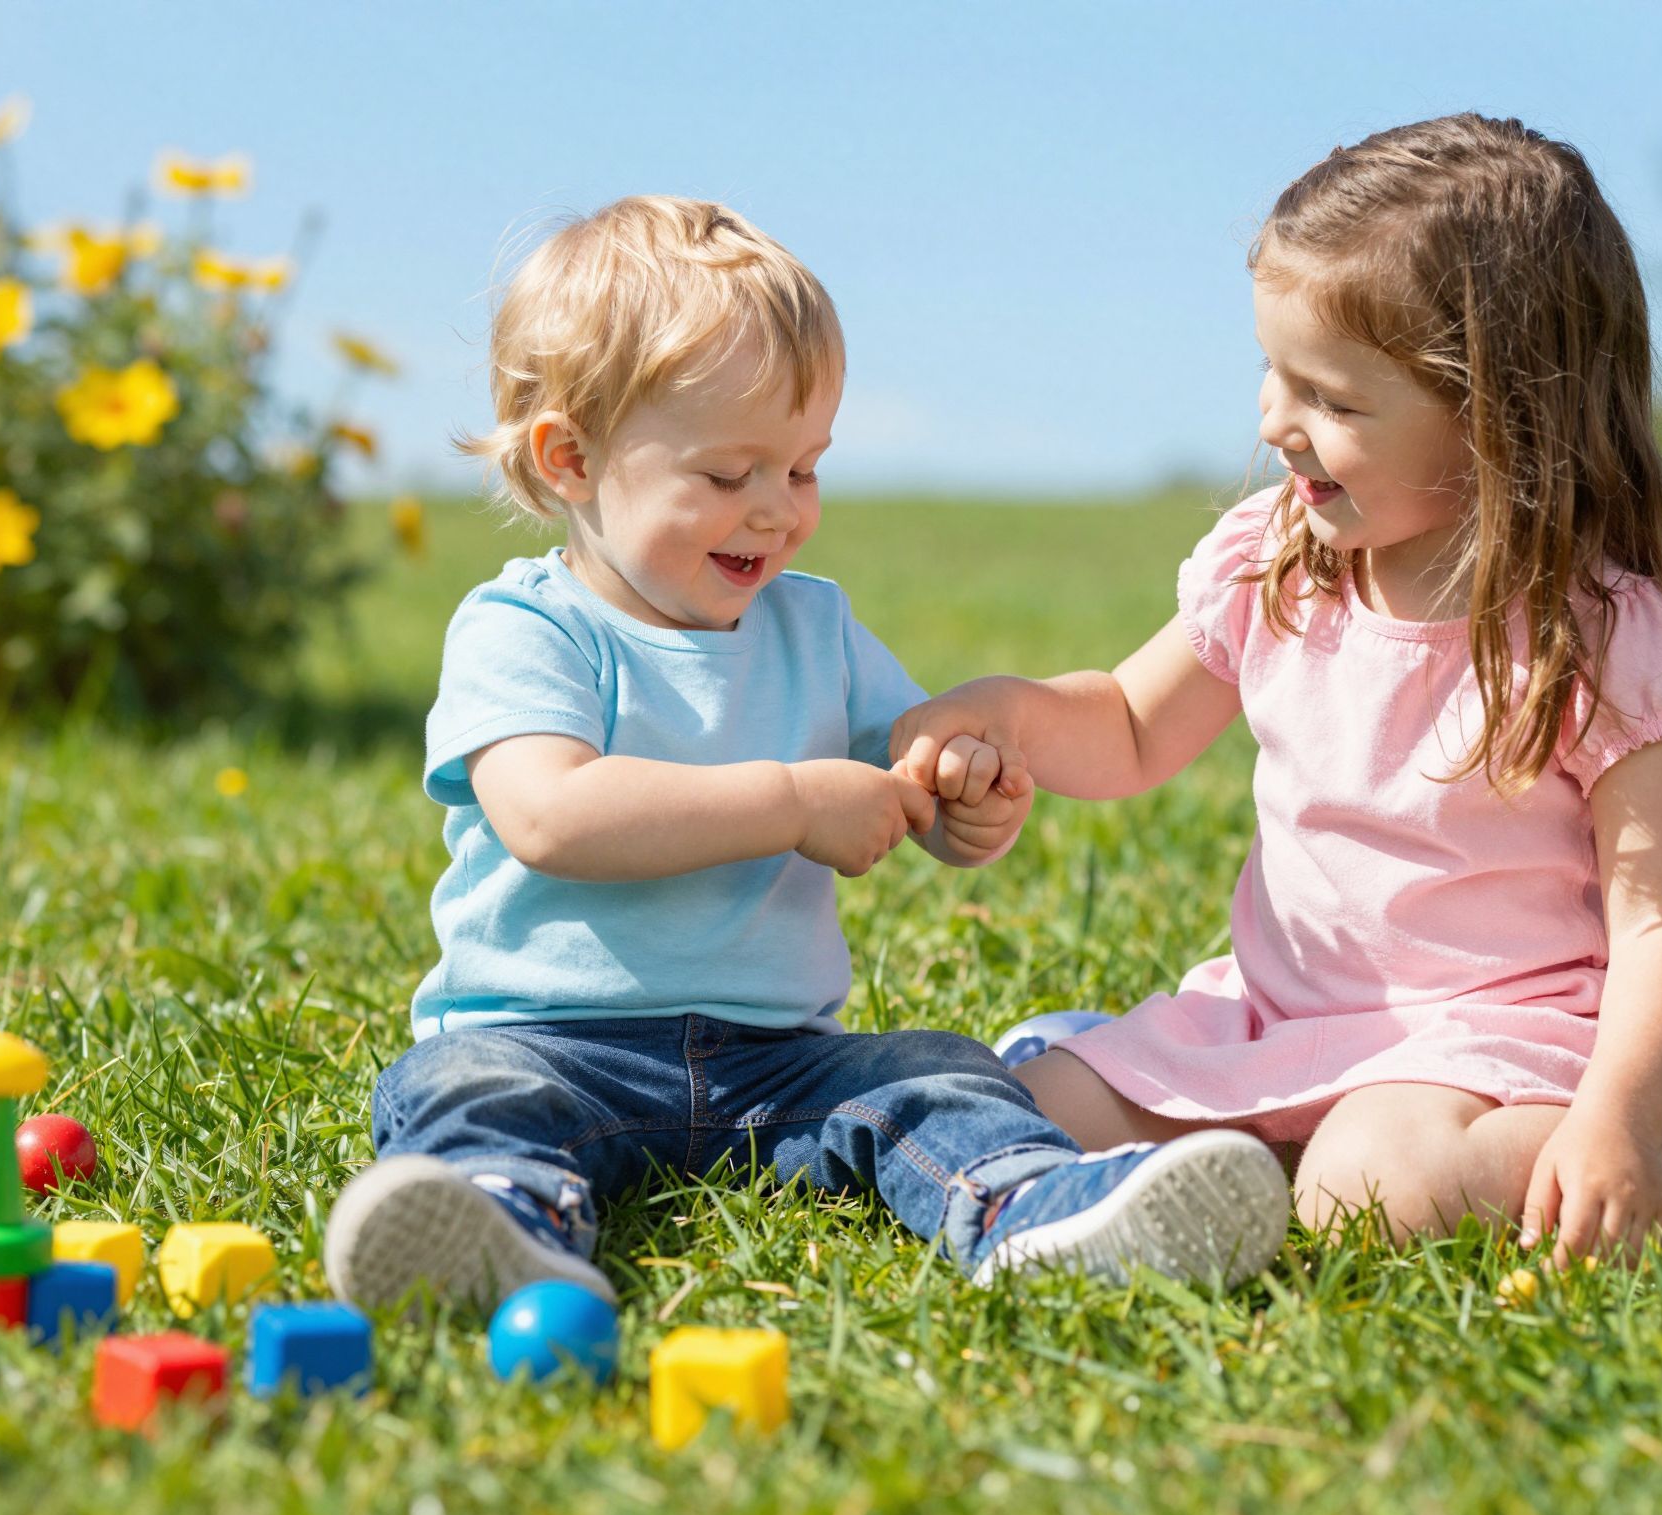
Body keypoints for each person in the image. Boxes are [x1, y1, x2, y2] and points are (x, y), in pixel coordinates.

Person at [894, 114, 1662, 1267]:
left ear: (1495, 417)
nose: (1273, 421)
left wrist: (1616, 1120)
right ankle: (1148, 1078)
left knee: (1377, 1191)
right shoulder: (1275, 561)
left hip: (1501, 1048)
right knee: (1016, 1110)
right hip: (1280, 1022)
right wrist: (1007, 714)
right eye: (1272, 372)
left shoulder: (1591, 637)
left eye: (1333, 401)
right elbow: (1131, 728)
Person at [323, 197, 1289, 1312]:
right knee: (469, 1091)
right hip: (549, 1042)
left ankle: (1031, 1203)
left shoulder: (814, 629)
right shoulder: (525, 630)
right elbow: (551, 817)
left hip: (775, 1058)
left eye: (803, 468)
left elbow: (907, 773)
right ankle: (491, 1222)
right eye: (729, 476)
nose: (775, 512)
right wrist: (789, 801)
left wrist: (965, 797)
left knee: (938, 1072)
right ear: (571, 459)